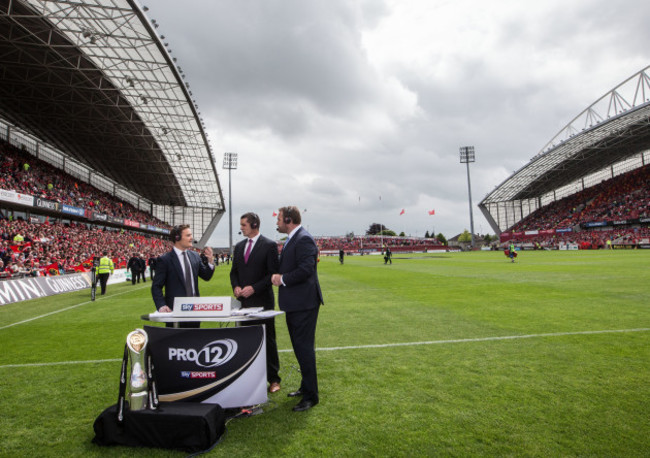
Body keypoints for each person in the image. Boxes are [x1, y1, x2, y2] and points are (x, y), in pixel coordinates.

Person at [271, 206, 324, 412]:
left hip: (304, 304)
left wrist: (282, 279)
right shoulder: (293, 238)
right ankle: (305, 386)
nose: (277, 222)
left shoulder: (303, 238)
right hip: (296, 303)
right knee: (300, 349)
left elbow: (305, 269)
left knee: (304, 350)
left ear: (289, 220)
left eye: (279, 219)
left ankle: (312, 396)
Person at [230, 212, 282, 393]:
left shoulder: (269, 245)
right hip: (243, 303)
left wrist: (254, 288)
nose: (241, 228)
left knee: (268, 340)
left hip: (262, 301)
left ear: (254, 224)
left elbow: (272, 274)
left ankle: (274, 379)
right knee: (245, 339)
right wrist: (236, 286)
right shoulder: (239, 246)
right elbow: (234, 272)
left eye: (243, 224)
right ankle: (247, 376)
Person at [151, 224, 215, 328]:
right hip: (175, 311)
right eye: (188, 235)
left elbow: (206, 276)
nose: (191, 238)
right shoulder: (165, 260)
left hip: (195, 310)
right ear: (177, 238)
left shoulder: (194, 256)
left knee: (194, 341)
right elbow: (156, 286)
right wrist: (161, 305)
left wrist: (210, 261)